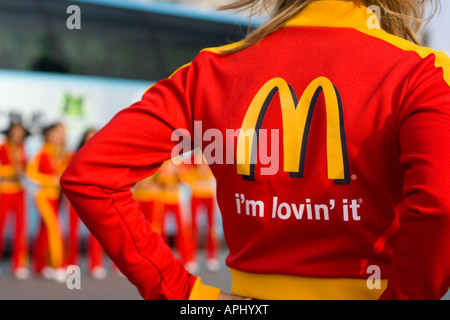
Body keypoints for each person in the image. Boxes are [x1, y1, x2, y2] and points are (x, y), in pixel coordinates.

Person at [61, 0, 450, 300]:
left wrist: (184, 294)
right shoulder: (423, 71)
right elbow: (440, 201)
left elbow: (90, 174)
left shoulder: (210, 70)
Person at [27, 122, 70, 282]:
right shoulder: (41, 152)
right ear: (49, 134)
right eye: (58, 132)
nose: (61, 135)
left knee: (44, 231)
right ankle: (57, 266)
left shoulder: (63, 153)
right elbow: (30, 173)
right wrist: (51, 180)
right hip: (44, 196)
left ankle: (40, 266)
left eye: (63, 132)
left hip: (58, 197)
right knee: (54, 229)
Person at [66, 128, 108, 279]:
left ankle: (96, 264)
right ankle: (70, 263)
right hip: (76, 198)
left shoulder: (104, 156)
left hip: (94, 198)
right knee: (72, 231)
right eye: (89, 137)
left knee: (96, 233)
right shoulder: (72, 155)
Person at [0, 121, 30, 280]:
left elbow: (27, 168)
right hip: (4, 190)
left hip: (19, 191)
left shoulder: (23, 149)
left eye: (21, 132)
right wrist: (12, 171)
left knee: (20, 229)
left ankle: (19, 265)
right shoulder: (3, 147)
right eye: (16, 132)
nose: (18, 135)